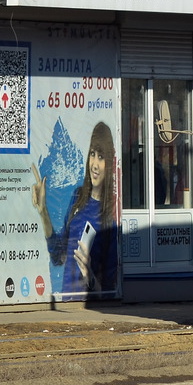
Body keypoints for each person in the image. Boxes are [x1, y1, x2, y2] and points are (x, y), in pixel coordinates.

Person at [33, 121, 119, 296]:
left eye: (101, 157)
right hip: (67, 302)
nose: (95, 164)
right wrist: (43, 212)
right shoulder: (77, 198)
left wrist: (89, 274)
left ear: (109, 163)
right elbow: (58, 255)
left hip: (88, 307)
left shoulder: (110, 221)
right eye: (93, 154)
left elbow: (109, 292)